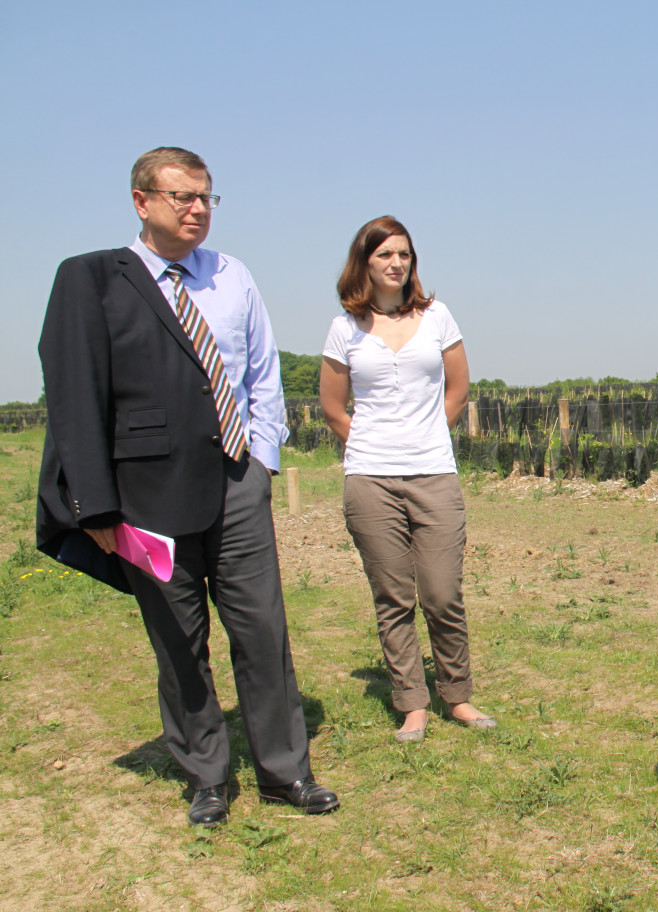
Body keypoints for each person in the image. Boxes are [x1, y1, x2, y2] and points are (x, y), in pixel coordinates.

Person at [36, 147, 339, 827]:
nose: (197, 209)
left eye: (207, 197)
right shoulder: (94, 280)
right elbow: (75, 399)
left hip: (236, 480)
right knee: (179, 637)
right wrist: (96, 506)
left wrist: (261, 461)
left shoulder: (233, 277)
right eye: (182, 197)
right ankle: (206, 775)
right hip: (146, 495)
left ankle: (285, 771)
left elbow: (261, 373)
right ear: (142, 201)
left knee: (263, 629)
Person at [319, 216, 493, 743]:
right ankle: (412, 704)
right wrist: (374, 446)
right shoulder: (343, 327)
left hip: (434, 474)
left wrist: (424, 437)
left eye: (404, 254)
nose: (396, 263)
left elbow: (458, 390)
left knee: (442, 593)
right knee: (393, 596)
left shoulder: (438, 316)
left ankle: (456, 695)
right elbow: (332, 408)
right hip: (369, 480)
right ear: (364, 263)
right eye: (384, 255)